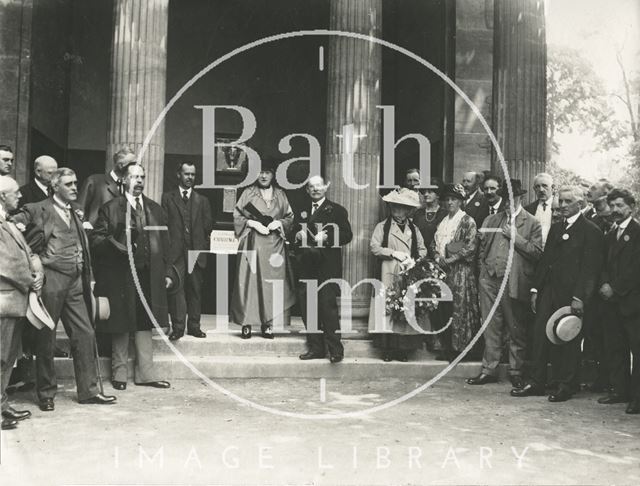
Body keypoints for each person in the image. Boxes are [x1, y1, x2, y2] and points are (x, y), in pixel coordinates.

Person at [13, 168, 117, 410]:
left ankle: (89, 391)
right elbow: (14, 229)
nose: (74, 187)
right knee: (46, 338)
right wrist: (33, 260)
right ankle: (46, 394)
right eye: (68, 184)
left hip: (75, 281)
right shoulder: (38, 209)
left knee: (85, 333)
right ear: (54, 186)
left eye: (75, 183)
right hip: (52, 279)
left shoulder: (75, 213)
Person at [512, 186, 604, 402]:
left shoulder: (591, 231)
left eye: (567, 202)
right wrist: (535, 290)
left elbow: (590, 269)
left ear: (579, 205)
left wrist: (580, 297)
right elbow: (545, 262)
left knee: (569, 338)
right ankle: (537, 382)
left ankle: (566, 384)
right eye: (560, 201)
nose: (561, 205)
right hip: (549, 292)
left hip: (572, 295)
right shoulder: (555, 228)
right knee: (540, 335)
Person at [90, 164, 172, 391]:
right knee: (121, 320)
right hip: (120, 274)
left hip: (148, 274)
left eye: (142, 177)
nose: (139, 181)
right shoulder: (111, 207)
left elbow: (165, 244)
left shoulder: (155, 209)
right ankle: (119, 373)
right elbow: (97, 239)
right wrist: (118, 246)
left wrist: (166, 272)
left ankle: (146, 374)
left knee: (145, 322)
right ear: (124, 181)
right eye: (134, 176)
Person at [467, 179, 542, 388]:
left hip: (514, 281)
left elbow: (537, 253)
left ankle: (516, 370)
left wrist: (515, 237)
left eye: (513, 198)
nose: (508, 202)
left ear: (520, 198)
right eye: (505, 198)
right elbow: (481, 248)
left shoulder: (532, 222)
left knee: (515, 327)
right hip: (490, 279)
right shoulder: (491, 220)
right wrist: (484, 271)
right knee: (491, 325)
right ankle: (488, 369)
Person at [8, 155, 66, 396]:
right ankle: (21, 379)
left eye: (56, 172)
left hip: (44, 270)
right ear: (38, 171)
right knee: (20, 334)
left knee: (36, 327)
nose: (53, 176)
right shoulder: (24, 195)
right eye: (49, 172)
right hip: (27, 272)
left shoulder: (63, 200)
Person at [230, 162, 295, 339]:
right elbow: (237, 214)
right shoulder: (248, 193)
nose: (263, 176)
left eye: (267, 172)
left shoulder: (281, 195)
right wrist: (252, 223)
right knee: (249, 284)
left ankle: (268, 324)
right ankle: (246, 323)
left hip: (274, 246)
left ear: (273, 174)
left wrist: (279, 223)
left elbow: (290, 217)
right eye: (260, 172)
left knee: (271, 284)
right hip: (253, 242)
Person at [0, 176, 44, 430]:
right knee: (1, 358)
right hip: (5, 301)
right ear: (2, 196)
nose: (19, 196)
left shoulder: (8, 221)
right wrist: (31, 280)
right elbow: (8, 262)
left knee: (7, 359)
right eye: (15, 193)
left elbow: (25, 253)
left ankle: (2, 405)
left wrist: (36, 274)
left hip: (12, 301)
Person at [295, 175, 353, 363]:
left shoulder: (337, 210)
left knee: (328, 308)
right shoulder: (301, 209)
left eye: (319, 185)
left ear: (325, 187)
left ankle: (335, 350)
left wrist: (328, 237)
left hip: (327, 268)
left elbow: (347, 235)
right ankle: (316, 348)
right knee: (308, 309)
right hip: (306, 266)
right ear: (307, 190)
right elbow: (291, 233)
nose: (315, 189)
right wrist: (297, 234)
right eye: (311, 187)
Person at [369, 188, 428, 362]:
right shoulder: (383, 226)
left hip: (408, 273)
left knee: (405, 309)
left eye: (401, 207)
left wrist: (414, 260)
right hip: (388, 272)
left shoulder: (414, 229)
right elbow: (374, 247)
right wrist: (393, 253)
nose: (396, 209)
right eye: (394, 206)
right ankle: (387, 350)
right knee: (387, 309)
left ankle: (403, 350)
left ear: (408, 210)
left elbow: (423, 249)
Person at [597, 189, 640, 414]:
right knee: (615, 347)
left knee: (637, 350)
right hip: (611, 303)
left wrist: (615, 288)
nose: (614, 210)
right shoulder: (609, 234)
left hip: (632, 302)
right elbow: (602, 264)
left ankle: (638, 398)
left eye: (620, 205)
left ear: (631, 207)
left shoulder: (637, 232)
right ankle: (620, 391)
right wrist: (605, 284)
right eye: (612, 205)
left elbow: (635, 269)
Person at [162, 162, 213, 341]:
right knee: (177, 291)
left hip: (196, 253)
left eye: (192, 174)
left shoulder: (202, 200)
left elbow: (208, 227)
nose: (190, 177)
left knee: (195, 290)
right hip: (176, 254)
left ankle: (194, 327)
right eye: (186, 174)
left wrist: (200, 245)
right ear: (179, 175)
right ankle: (178, 328)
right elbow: (164, 225)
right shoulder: (168, 198)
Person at [431, 183, 480, 361]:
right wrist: (437, 256)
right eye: (448, 199)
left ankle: (461, 349)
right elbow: (434, 244)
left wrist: (450, 259)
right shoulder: (443, 221)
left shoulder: (467, 221)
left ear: (460, 202)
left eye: (454, 199)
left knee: (459, 307)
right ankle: (446, 347)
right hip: (442, 270)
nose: (450, 202)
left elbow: (470, 246)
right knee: (444, 307)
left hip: (460, 271)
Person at [78, 146, 137, 226]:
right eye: (133, 164)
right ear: (121, 165)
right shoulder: (94, 181)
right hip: (95, 235)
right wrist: (85, 224)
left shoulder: (130, 188)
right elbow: (78, 209)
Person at [412, 178, 447, 248]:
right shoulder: (418, 213)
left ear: (438, 195)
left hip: (438, 252)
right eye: (424, 192)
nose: (426, 194)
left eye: (430, 192)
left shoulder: (444, 214)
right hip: (420, 251)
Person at [525, 173, 555, 248]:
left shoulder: (561, 208)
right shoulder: (528, 209)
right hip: (534, 252)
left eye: (544, 186)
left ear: (553, 187)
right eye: (537, 187)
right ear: (534, 189)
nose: (541, 190)